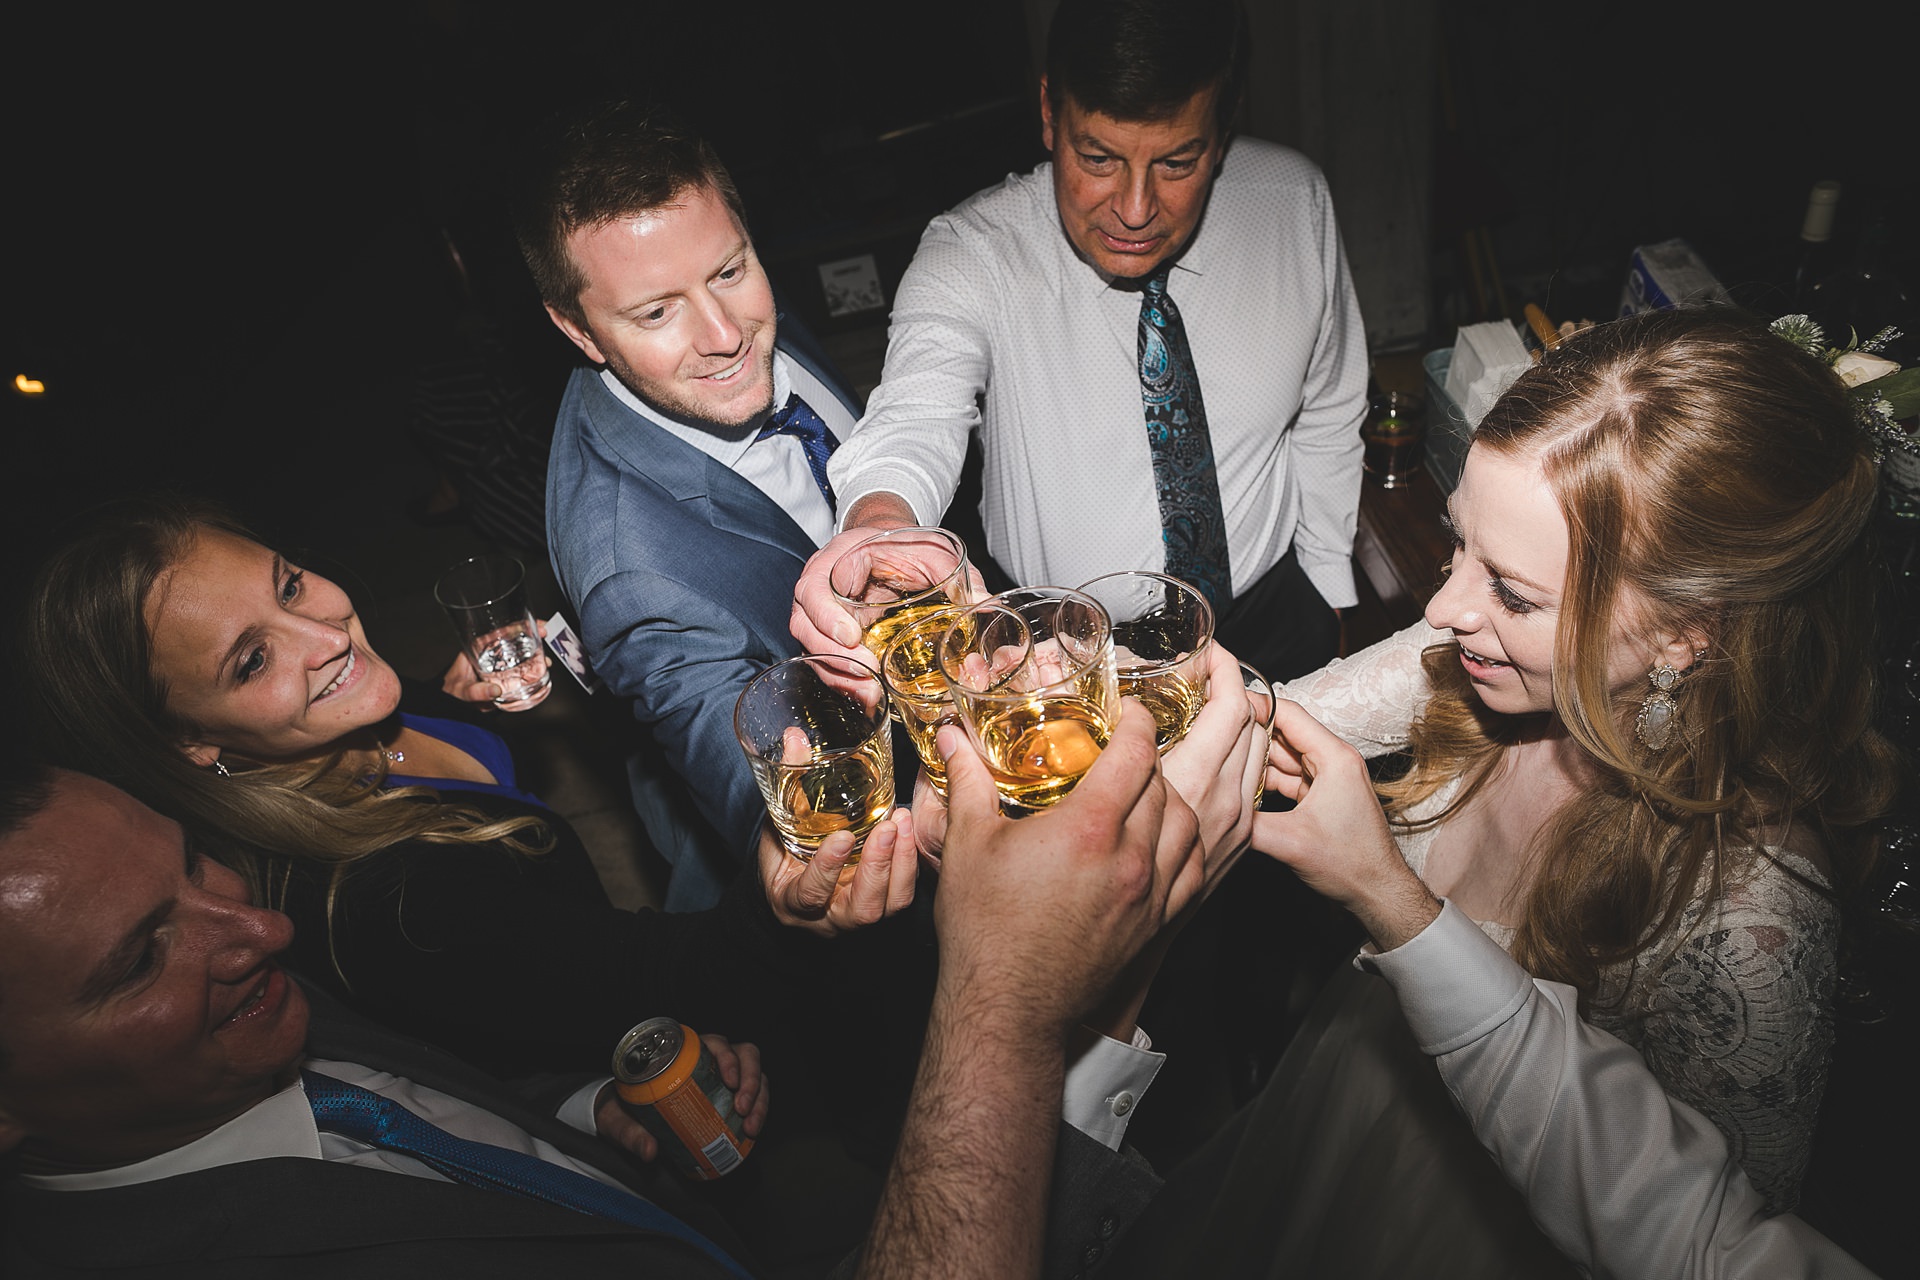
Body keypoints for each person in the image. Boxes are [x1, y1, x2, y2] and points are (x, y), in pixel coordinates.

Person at [0, 740, 1878, 1278]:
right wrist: (1003, 1003)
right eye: (139, 958)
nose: (246, 933)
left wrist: (581, 1128)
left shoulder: (266, 1016)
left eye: (204, 871)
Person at [1238, 306, 1903, 1275]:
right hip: (1353, 1088)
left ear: (1683, 634)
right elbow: (1273, 717)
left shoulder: (1753, 916)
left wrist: (1383, 889)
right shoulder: (1486, 656)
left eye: (1513, 592)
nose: (1444, 607)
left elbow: (1706, 1229)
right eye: (1459, 543)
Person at [16, 496, 922, 1086]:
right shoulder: (389, 904)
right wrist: (779, 914)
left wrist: (480, 713)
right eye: (252, 660)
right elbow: (667, 980)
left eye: (289, 586)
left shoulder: (361, 706)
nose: (326, 637)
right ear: (190, 739)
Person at [793, 0, 1367, 689]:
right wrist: (882, 532)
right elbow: (916, 416)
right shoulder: (971, 254)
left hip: (1272, 614)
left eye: (1177, 162)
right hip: (1062, 656)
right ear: (1049, 113)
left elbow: (1329, 405)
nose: (1134, 209)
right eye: (1098, 158)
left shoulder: (1293, 203)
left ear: (1223, 129)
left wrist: (1331, 588)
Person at [516, 101, 867, 911]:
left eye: (730, 272)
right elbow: (723, 746)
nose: (725, 335)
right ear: (578, 331)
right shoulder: (633, 573)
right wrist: (800, 852)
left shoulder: (725, 314)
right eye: (656, 312)